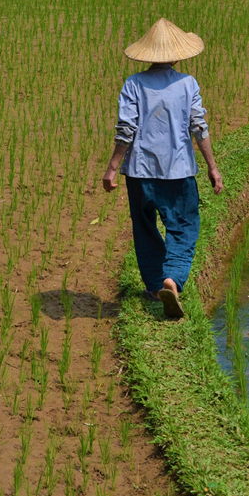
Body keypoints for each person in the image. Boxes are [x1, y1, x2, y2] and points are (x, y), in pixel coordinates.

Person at [101, 18, 223, 319]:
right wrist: (212, 166)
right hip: (178, 171)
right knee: (183, 227)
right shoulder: (187, 84)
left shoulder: (133, 83)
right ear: (178, 55)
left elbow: (126, 129)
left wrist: (113, 168)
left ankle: (156, 287)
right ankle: (172, 279)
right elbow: (199, 126)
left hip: (139, 172)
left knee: (144, 227)